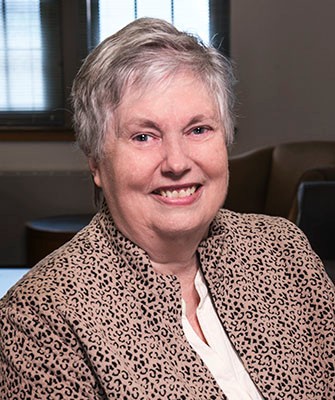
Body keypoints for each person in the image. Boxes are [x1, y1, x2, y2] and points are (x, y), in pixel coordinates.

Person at [0, 17, 334, 400]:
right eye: (144, 136)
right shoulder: (40, 315)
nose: (177, 162)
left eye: (198, 130)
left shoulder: (283, 248)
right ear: (96, 163)